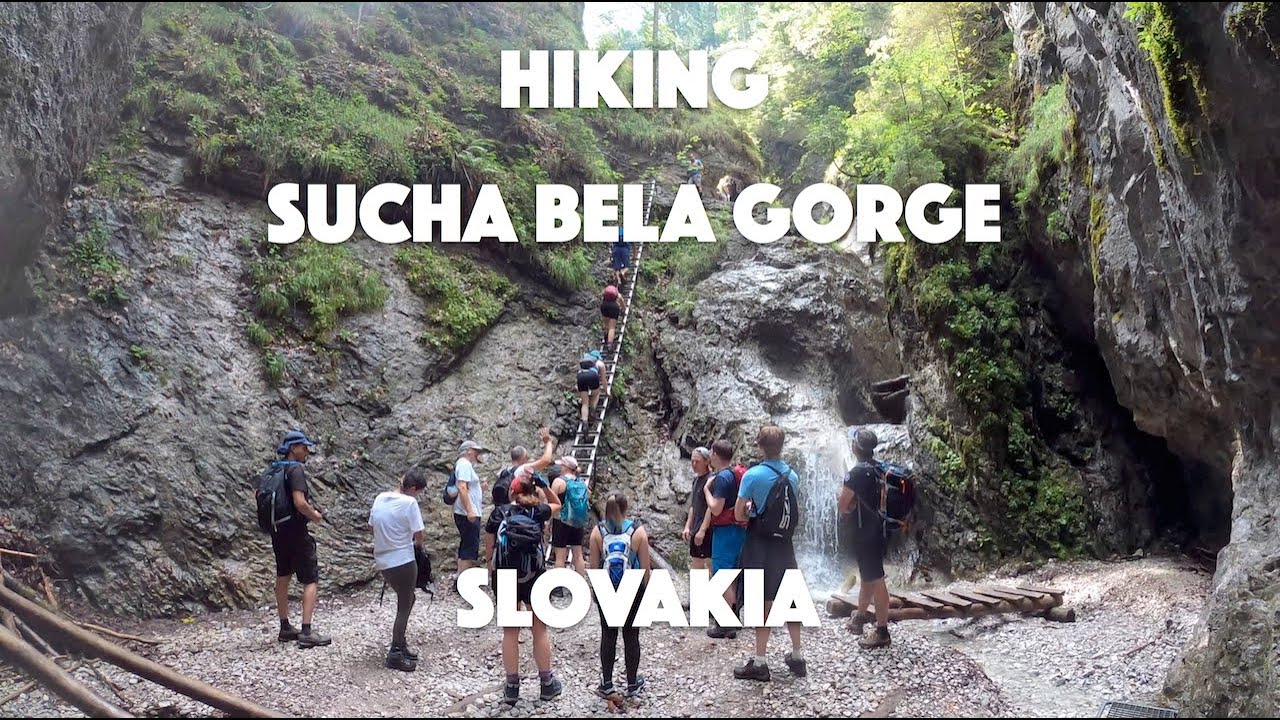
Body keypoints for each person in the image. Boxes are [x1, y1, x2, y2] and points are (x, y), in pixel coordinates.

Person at [484, 430, 563, 706]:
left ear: (511, 491)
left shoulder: (498, 513)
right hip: (534, 575)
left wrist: (491, 573)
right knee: (539, 628)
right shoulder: (537, 511)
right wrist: (545, 484)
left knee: (510, 630)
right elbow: (557, 504)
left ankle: (512, 687)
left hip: (506, 574)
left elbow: (489, 549)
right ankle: (546, 683)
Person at [733, 424, 804, 682]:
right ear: (781, 446)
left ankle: (760, 662)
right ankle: (797, 655)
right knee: (790, 598)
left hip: (759, 543)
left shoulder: (753, 475)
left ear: (760, 445)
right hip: (785, 545)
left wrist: (751, 508)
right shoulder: (793, 476)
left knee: (760, 600)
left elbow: (740, 514)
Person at [269, 431, 331, 648]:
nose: (307, 451)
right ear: (293, 448)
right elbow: (300, 502)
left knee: (283, 574)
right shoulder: (295, 469)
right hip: (296, 531)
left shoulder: (273, 468)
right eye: (304, 447)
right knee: (310, 578)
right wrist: (315, 516)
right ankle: (306, 631)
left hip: (277, 530)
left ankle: (285, 626)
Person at [588, 492, 651, 698]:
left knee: (609, 635)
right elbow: (645, 569)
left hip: (607, 587)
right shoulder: (638, 532)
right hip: (632, 588)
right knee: (631, 636)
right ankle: (632, 683)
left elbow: (594, 567)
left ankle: (607, 683)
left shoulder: (597, 532)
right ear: (626, 508)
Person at [368, 467, 428, 672]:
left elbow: (372, 526)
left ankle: (401, 643)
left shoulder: (380, 498)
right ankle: (395, 652)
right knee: (405, 603)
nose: (418, 495)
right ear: (412, 488)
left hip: (383, 560)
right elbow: (419, 534)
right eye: (418, 491)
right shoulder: (410, 503)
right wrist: (418, 549)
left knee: (408, 599)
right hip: (402, 560)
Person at [839, 427, 892, 649]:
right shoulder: (878, 468)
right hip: (879, 530)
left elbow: (843, 505)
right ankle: (860, 616)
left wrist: (847, 503)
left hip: (865, 533)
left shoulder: (857, 472)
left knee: (877, 580)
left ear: (856, 447)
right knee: (868, 574)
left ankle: (882, 631)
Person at [703, 439, 746, 639]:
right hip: (740, 529)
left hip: (725, 532)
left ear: (715, 455)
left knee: (722, 576)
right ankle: (734, 617)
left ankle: (725, 623)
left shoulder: (722, 478)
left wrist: (706, 492)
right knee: (734, 574)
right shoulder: (738, 475)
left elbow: (716, 508)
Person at [550, 457, 590, 588]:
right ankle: (581, 585)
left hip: (561, 521)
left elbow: (551, 502)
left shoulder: (559, 482)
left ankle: (559, 587)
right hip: (577, 522)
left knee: (560, 556)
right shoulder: (581, 482)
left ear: (565, 467)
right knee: (578, 554)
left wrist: (546, 522)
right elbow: (588, 496)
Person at [453, 439, 489, 587]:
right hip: (466, 512)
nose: (478, 454)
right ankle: (464, 583)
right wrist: (470, 510)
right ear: (468, 451)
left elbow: (467, 488)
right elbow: (462, 487)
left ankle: (460, 578)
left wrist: (481, 489)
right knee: (469, 546)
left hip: (464, 511)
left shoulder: (464, 465)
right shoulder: (464, 464)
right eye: (476, 451)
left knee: (465, 544)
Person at [681, 447, 714, 573]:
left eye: (697, 461)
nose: (694, 465)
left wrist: (702, 530)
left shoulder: (711, 479)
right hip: (695, 528)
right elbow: (693, 506)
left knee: (710, 563)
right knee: (696, 563)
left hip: (707, 530)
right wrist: (687, 526)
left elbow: (710, 507)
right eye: (692, 461)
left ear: (707, 462)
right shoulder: (696, 480)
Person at [576, 350, 607, 426]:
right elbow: (603, 380)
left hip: (581, 376)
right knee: (596, 394)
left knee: (585, 402)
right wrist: (607, 391)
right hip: (592, 375)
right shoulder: (599, 363)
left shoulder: (583, 361)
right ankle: (592, 411)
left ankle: (585, 423)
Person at [600, 285, 625, 349]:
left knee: (606, 325)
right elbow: (621, 300)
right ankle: (609, 344)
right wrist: (623, 309)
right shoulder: (616, 292)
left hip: (604, 306)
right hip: (614, 307)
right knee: (612, 327)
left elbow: (601, 297)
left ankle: (606, 336)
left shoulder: (605, 291)